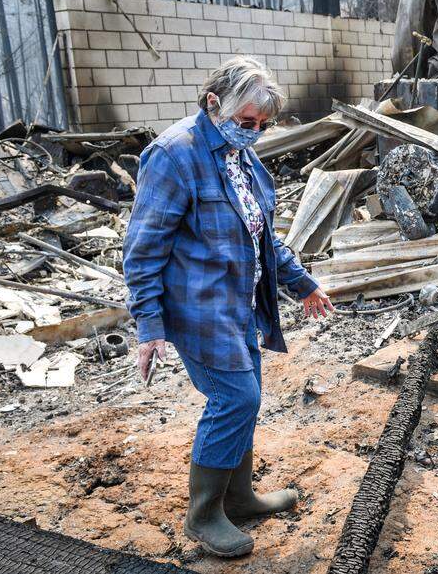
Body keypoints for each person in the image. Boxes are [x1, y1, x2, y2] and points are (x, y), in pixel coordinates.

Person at [123, 56, 334, 558]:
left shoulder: (244, 161)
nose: (254, 132)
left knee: (247, 396)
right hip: (199, 310)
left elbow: (264, 239)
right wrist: (148, 327)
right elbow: (143, 249)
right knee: (235, 399)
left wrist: (303, 284)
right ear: (213, 103)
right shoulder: (174, 156)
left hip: (241, 306)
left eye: (262, 126)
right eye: (245, 122)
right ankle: (204, 515)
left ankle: (238, 497)